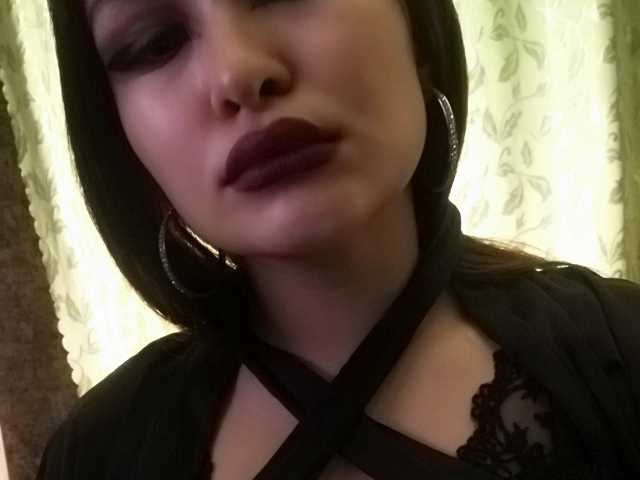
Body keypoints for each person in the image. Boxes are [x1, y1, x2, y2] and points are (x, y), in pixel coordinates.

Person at [36, 0, 640, 479]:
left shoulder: (621, 347)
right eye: (155, 43)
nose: (238, 71)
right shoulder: (95, 455)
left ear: (418, 34)